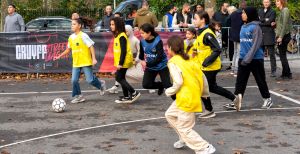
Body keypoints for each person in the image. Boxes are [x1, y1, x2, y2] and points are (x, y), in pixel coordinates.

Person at [165, 35, 216, 154]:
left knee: (184, 128)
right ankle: (184, 138)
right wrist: (204, 92)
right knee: (170, 115)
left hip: (186, 98)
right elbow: (202, 77)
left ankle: (204, 147)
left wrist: (169, 91)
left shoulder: (173, 62)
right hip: (190, 96)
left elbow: (178, 82)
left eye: (167, 47)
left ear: (171, 48)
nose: (167, 49)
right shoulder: (188, 59)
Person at [193, 11, 240, 118]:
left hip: (210, 66)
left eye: (195, 18)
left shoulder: (207, 34)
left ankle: (209, 110)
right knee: (212, 87)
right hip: (205, 66)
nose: (194, 21)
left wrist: (206, 61)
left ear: (203, 20)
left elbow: (217, 49)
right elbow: (201, 48)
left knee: (202, 88)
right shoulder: (200, 32)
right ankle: (234, 98)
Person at [227, 7, 273, 111]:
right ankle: (236, 101)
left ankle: (267, 99)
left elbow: (255, 45)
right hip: (243, 59)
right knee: (240, 82)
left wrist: (247, 58)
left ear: (250, 14)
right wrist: (242, 58)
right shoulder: (243, 26)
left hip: (255, 59)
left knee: (260, 80)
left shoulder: (256, 27)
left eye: (244, 13)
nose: (241, 15)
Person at [53, 18, 106, 103]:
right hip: (76, 62)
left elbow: (91, 46)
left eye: (74, 24)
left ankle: (101, 84)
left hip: (85, 61)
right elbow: (68, 49)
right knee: (74, 80)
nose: (72, 26)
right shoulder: (71, 37)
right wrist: (59, 56)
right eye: (72, 24)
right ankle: (79, 96)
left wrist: (94, 58)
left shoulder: (83, 35)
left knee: (90, 80)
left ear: (79, 26)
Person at [110, 17, 141, 103]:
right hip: (121, 62)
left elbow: (123, 51)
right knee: (121, 78)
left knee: (119, 78)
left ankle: (134, 92)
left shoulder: (122, 36)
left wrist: (120, 63)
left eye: (113, 24)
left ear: (118, 25)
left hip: (124, 61)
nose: (111, 26)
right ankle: (126, 96)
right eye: (111, 24)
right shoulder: (118, 35)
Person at [139, 23, 172, 96]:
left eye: (143, 33)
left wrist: (147, 64)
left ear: (149, 33)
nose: (141, 35)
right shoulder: (142, 41)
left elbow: (159, 58)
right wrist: (141, 59)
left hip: (162, 65)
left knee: (168, 85)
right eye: (140, 33)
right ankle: (160, 85)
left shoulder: (158, 41)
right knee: (146, 85)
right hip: (151, 66)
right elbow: (141, 53)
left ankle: (177, 100)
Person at [275, 0, 293, 80]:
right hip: (282, 35)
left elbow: (285, 24)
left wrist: (281, 37)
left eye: (277, 1)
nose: (276, 3)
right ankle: (286, 73)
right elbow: (281, 24)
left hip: (284, 36)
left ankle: (287, 74)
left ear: (282, 2)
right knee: (282, 55)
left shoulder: (285, 10)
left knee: (282, 55)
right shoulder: (282, 11)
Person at [258, 0, 277, 77]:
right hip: (261, 35)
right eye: (264, 2)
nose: (266, 3)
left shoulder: (273, 11)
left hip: (269, 35)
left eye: (267, 2)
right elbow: (258, 21)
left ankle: (273, 71)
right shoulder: (259, 10)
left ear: (269, 3)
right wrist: (265, 20)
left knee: (272, 54)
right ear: (262, 3)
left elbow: (270, 21)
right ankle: (260, 71)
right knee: (260, 54)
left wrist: (263, 20)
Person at [228, 1, 247, 76]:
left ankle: (233, 69)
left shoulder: (233, 13)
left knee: (235, 52)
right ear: (245, 6)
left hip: (233, 35)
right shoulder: (243, 14)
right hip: (240, 35)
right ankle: (236, 70)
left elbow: (228, 21)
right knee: (239, 53)